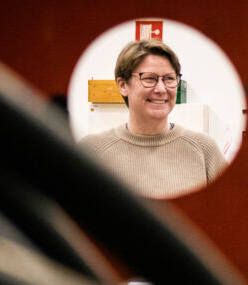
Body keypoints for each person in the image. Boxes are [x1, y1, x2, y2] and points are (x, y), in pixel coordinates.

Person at [79, 39, 227, 199]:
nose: (161, 89)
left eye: (169, 79)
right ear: (123, 85)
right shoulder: (91, 151)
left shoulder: (205, 150)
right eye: (149, 78)